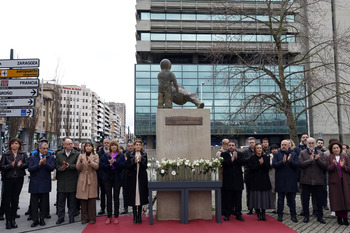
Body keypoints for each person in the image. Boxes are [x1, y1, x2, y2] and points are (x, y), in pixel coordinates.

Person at [0, 138, 28, 229]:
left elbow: (27, 164)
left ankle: (13, 220)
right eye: (12, 144)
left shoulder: (23, 155)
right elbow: (2, 167)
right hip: (8, 179)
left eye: (16, 143)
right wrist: (10, 166)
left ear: (19, 145)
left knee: (15, 200)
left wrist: (21, 165)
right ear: (10, 145)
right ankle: (8, 221)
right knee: (7, 200)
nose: (14, 145)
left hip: (19, 179)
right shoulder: (6, 155)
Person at [299, 137, 327, 224]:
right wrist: (310, 160)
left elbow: (324, 166)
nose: (311, 145)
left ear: (315, 144)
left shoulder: (321, 153)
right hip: (306, 181)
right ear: (306, 144)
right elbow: (301, 165)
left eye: (312, 143)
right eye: (309, 143)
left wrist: (317, 160)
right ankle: (306, 216)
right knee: (305, 200)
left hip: (318, 180)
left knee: (319, 200)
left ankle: (320, 216)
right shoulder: (302, 153)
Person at [28, 141, 55, 227]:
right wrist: (39, 164)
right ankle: (35, 219)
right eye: (43, 148)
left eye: (47, 148)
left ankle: (42, 219)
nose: (45, 150)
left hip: (45, 183)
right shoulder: (33, 157)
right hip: (35, 183)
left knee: (44, 203)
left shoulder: (50, 157)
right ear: (39, 149)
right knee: (34, 203)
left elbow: (51, 168)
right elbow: (30, 169)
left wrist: (45, 163)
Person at [272, 140, 299, 223]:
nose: (283, 146)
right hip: (280, 181)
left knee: (292, 200)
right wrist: (282, 162)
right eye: (282, 144)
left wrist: (290, 161)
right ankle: (280, 215)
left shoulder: (293, 154)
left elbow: (297, 165)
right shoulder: (276, 154)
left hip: (291, 181)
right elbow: (274, 165)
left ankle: (293, 215)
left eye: (285, 145)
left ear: (289, 146)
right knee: (280, 200)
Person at [99, 140, 126, 224]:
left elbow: (122, 166)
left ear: (117, 147)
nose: (114, 147)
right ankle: (109, 216)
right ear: (110, 147)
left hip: (117, 177)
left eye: (115, 145)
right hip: (107, 178)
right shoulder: (105, 155)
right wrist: (109, 165)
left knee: (116, 197)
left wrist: (114, 163)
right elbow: (102, 166)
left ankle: (116, 216)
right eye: (112, 145)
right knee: (109, 197)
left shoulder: (121, 155)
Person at [55, 138, 80, 224]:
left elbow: (78, 166)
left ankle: (71, 216)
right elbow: (56, 165)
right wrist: (61, 168)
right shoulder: (59, 154)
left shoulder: (77, 154)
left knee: (72, 201)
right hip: (62, 180)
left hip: (72, 180)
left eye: (71, 144)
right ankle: (60, 217)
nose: (70, 145)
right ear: (64, 145)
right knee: (61, 201)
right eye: (68, 144)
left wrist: (69, 166)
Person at [247, 143, 274, 221]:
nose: (259, 149)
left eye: (260, 148)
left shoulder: (266, 157)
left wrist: (263, 164)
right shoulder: (251, 158)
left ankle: (263, 213)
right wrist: (259, 164)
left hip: (264, 180)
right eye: (258, 148)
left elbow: (268, 167)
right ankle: (258, 214)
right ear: (255, 150)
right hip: (255, 181)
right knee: (257, 198)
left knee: (264, 198)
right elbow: (252, 168)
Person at [326, 141, 350, 225]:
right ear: (331, 150)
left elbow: (349, 169)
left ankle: (345, 218)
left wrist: (343, 166)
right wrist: (333, 165)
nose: (336, 149)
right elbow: (327, 169)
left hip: (345, 182)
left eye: (337, 148)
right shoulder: (329, 157)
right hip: (335, 183)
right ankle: (339, 218)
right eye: (334, 148)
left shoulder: (345, 157)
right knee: (337, 200)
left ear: (340, 149)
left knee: (345, 199)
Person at [221, 140, 245, 222]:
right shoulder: (223, 154)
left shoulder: (240, 154)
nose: (231, 146)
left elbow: (243, 162)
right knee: (228, 198)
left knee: (238, 199)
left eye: (233, 145)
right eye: (229, 145)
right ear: (227, 146)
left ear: (235, 146)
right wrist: (232, 159)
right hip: (228, 180)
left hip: (238, 180)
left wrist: (236, 158)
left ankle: (238, 214)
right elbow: (223, 163)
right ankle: (227, 214)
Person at [126, 140, 148, 224]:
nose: (138, 146)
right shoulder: (130, 154)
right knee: (134, 197)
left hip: (141, 178)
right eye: (137, 145)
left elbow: (145, 167)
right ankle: (135, 216)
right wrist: (134, 162)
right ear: (134, 146)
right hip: (132, 179)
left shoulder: (144, 155)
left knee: (141, 197)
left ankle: (140, 216)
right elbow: (127, 167)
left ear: (141, 146)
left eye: (139, 145)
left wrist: (141, 161)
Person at [76, 142, 99, 224]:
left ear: (92, 148)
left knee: (92, 199)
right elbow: (77, 168)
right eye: (86, 146)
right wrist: (81, 162)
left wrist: (90, 162)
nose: (88, 147)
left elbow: (97, 167)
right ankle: (84, 218)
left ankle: (92, 218)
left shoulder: (95, 156)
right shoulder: (80, 155)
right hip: (83, 177)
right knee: (83, 200)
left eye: (90, 146)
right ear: (84, 148)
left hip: (92, 177)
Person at [97, 138, 110, 215]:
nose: (106, 144)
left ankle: (109, 208)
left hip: (110, 176)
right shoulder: (99, 153)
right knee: (102, 193)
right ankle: (102, 208)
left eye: (108, 143)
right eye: (105, 143)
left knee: (109, 194)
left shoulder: (113, 152)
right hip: (102, 176)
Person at [121, 142, 135, 215]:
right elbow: (123, 165)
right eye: (129, 146)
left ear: (134, 147)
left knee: (133, 193)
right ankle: (125, 207)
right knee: (125, 193)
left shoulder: (136, 154)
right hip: (125, 176)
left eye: (131, 146)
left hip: (134, 176)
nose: (130, 147)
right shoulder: (124, 155)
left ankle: (134, 208)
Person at [243, 137, 256, 214]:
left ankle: (257, 208)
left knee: (257, 193)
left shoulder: (259, 150)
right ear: (248, 143)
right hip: (249, 175)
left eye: (253, 142)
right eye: (250, 142)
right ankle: (250, 208)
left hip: (257, 175)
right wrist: (252, 156)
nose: (251, 144)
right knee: (249, 193)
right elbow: (245, 161)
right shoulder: (245, 152)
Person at [268, 144, 279, 213]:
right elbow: (268, 165)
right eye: (273, 149)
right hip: (272, 175)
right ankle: (273, 207)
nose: (274, 150)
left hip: (279, 175)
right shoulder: (269, 156)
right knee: (273, 192)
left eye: (275, 149)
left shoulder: (280, 155)